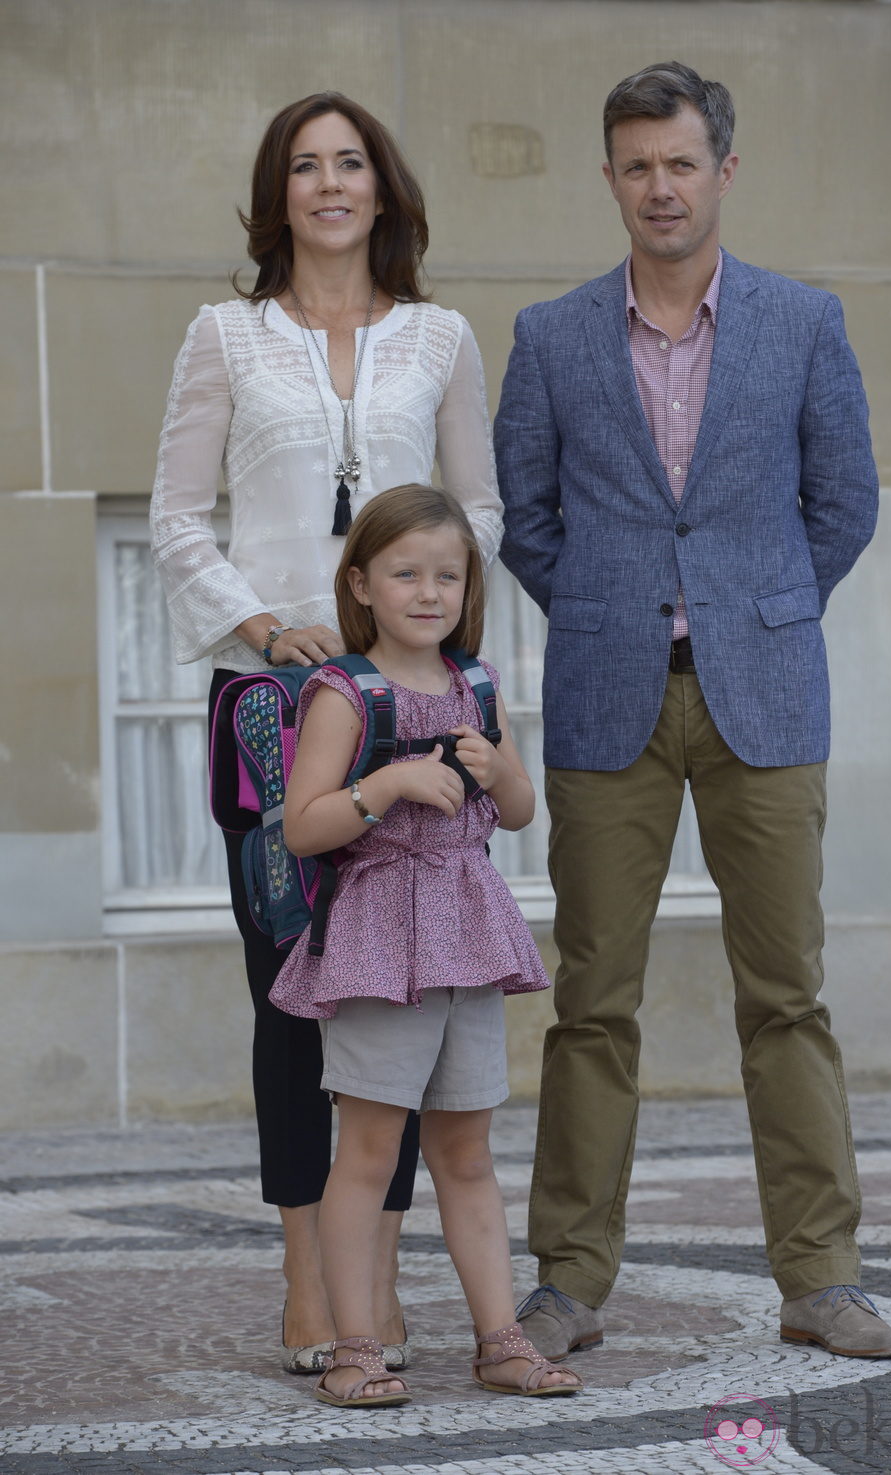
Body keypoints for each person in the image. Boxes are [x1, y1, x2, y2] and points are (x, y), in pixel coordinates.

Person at [493, 61, 891, 1363]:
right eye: (636, 164)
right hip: (611, 696)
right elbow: (528, 517)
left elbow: (843, 504)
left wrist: (759, 604)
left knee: (787, 994)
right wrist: (618, 605)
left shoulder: (803, 322)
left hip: (765, 700)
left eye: (681, 162)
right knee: (590, 1002)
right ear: (607, 175)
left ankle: (821, 1273)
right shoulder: (552, 337)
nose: (659, 187)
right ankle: (568, 1280)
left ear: (724, 170)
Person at [150, 91, 503, 1374]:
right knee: (292, 994)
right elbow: (179, 515)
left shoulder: (441, 338)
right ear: (277, 193)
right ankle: (309, 1268)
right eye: (305, 165)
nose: (329, 183)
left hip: (407, 701)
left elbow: (478, 512)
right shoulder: (224, 337)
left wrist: (426, 650)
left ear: (383, 187)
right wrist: (257, 617)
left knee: (402, 978)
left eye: (350, 161)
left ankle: (380, 1268)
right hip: (275, 707)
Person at [267, 484, 583, 1406]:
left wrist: (500, 768)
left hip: (469, 936)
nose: (428, 591)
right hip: (378, 941)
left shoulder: (476, 684)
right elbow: (304, 825)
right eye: (406, 572)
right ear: (361, 582)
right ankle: (352, 1346)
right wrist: (390, 781)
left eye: (447, 574)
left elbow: (518, 813)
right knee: (367, 1153)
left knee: (469, 1153)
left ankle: (501, 1341)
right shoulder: (344, 692)